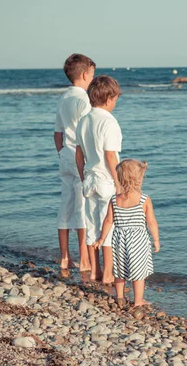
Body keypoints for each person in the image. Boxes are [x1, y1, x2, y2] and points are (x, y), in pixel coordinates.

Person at [93, 159, 160, 307]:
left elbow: (108, 221)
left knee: (119, 269)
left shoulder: (115, 200)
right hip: (138, 241)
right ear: (138, 179)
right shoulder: (144, 199)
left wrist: (102, 238)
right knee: (138, 272)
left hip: (119, 240)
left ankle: (120, 297)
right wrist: (156, 240)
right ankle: (138, 301)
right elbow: (151, 222)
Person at [76, 75, 122, 283]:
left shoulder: (84, 120)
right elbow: (110, 156)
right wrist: (119, 184)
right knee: (108, 228)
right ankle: (109, 274)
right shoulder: (109, 122)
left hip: (89, 179)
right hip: (106, 181)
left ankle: (95, 271)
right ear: (109, 98)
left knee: (92, 226)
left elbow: (79, 154)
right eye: (116, 98)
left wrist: (82, 175)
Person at [54, 54, 95, 271]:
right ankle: (85, 260)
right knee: (82, 207)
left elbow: (57, 133)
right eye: (92, 75)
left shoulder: (63, 98)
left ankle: (64, 257)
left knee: (66, 203)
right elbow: (87, 133)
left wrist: (62, 154)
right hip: (80, 156)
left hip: (65, 156)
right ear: (85, 74)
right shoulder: (84, 100)